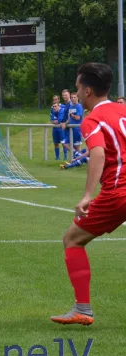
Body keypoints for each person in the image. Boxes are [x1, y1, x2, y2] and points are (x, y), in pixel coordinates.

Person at [50, 62, 126, 326]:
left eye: (78, 86)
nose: (76, 91)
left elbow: (98, 153)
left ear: (89, 90)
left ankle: (83, 308)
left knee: (72, 239)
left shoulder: (92, 118)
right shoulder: (124, 110)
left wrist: (86, 195)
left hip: (118, 192)